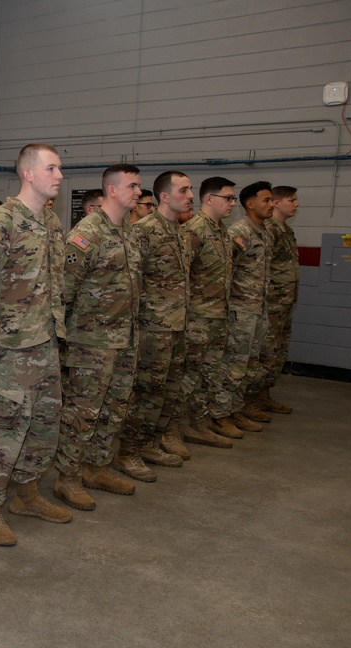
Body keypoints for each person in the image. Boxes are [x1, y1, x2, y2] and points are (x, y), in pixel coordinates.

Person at [0, 143, 70, 546]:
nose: (59, 175)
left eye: (59, 168)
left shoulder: (53, 223)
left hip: (45, 341)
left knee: (44, 424)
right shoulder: (2, 222)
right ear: (28, 174)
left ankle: (27, 494)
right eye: (52, 168)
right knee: (2, 429)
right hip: (8, 348)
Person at [53, 164, 142, 511]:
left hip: (124, 337)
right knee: (83, 413)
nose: (137, 192)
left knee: (114, 409)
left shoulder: (128, 232)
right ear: (112, 190)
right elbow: (66, 290)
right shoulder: (87, 233)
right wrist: (68, 341)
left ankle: (97, 467)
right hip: (92, 342)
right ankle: (68, 477)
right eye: (132, 186)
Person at [116, 171, 192, 483]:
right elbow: (131, 280)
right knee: (146, 392)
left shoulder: (180, 231)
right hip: (152, 328)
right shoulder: (144, 230)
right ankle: (128, 452)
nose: (190, 195)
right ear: (164, 196)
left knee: (166, 392)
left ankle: (149, 443)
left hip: (176, 325)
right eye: (184, 190)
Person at [209, 181, 273, 438]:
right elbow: (226, 270)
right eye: (266, 200)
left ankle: (235, 409)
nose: (271, 204)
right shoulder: (240, 232)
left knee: (249, 363)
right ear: (251, 204)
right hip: (239, 311)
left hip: (257, 308)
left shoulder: (264, 231)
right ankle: (219, 415)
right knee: (234, 364)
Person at [178, 177, 237, 450]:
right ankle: (169, 431)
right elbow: (181, 275)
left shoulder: (222, 232)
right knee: (188, 378)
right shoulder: (195, 231)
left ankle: (198, 426)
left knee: (209, 376)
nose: (232, 203)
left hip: (218, 317)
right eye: (228, 198)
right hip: (197, 319)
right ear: (210, 199)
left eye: (234, 198)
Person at [255, 186, 300, 414]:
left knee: (279, 350)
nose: (296, 204)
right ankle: (251, 398)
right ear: (277, 202)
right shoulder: (269, 230)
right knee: (266, 351)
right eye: (291, 200)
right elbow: (262, 267)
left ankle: (264, 394)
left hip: (284, 301)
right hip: (271, 302)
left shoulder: (286, 230)